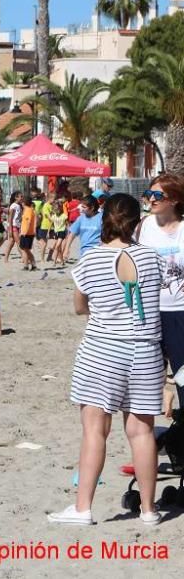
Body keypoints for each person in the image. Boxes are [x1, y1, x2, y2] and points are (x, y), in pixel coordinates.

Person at [48, 193, 164, 526]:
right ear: (136, 220)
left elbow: (80, 307)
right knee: (142, 432)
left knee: (95, 431)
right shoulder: (151, 258)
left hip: (104, 349)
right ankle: (148, 509)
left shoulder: (91, 259)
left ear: (104, 220)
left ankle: (83, 507)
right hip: (145, 349)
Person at [137, 174, 184, 418]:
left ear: (174, 199)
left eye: (158, 195)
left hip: (180, 313)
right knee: (147, 379)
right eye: (149, 194)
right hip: (149, 312)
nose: (151, 199)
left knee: (183, 377)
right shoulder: (144, 226)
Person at [2, 191, 23, 263]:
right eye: (20, 196)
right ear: (16, 197)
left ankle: (5, 258)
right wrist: (10, 229)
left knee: (11, 243)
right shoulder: (13, 206)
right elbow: (10, 218)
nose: (21, 198)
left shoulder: (19, 206)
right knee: (19, 242)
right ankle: (24, 257)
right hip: (13, 226)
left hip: (16, 226)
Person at [19, 195, 38, 271]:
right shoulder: (27, 210)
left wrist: (24, 232)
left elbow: (28, 222)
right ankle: (26, 265)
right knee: (24, 249)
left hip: (27, 233)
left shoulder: (28, 210)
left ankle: (33, 264)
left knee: (26, 249)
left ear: (24, 203)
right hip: (26, 232)